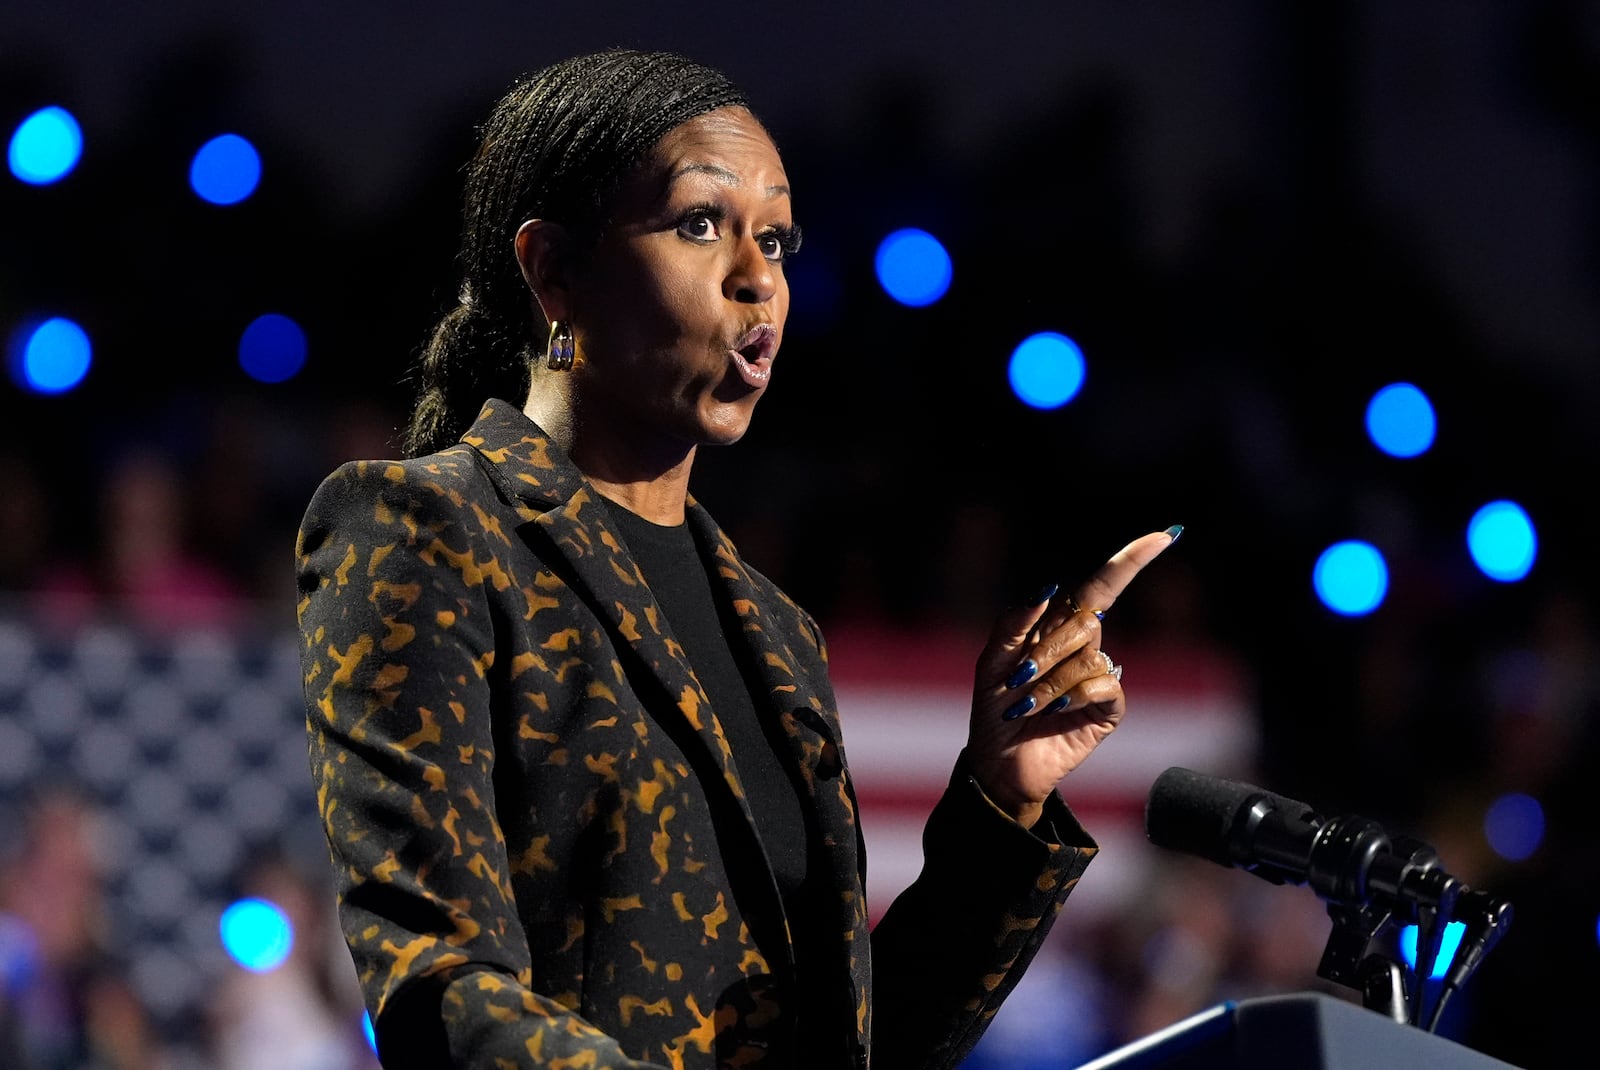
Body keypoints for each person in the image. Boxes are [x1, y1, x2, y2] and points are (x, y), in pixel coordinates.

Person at [294, 46, 1179, 1070]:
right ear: (554, 271)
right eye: (699, 223)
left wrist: (1000, 797)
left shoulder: (778, 630)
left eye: (777, 237)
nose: (759, 277)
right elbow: (438, 985)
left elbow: (857, 1047)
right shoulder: (424, 529)